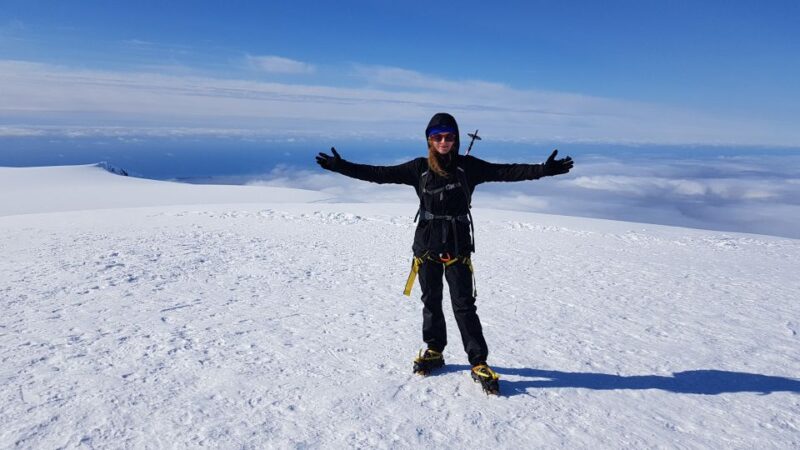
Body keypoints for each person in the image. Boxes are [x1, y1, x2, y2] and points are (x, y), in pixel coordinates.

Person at [315, 112, 573, 394]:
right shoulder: (419, 168)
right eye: (437, 137)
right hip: (426, 246)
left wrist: (543, 170)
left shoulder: (468, 167)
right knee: (431, 300)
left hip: (458, 246)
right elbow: (379, 174)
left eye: (449, 136)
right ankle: (434, 350)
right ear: (429, 139)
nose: (444, 141)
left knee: (463, 305)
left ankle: (478, 362)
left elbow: (507, 172)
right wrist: (342, 167)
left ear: (456, 138)